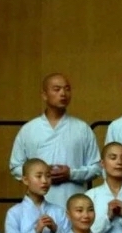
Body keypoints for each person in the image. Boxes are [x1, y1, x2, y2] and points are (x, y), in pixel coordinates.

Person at [9, 73, 101, 207]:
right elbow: (15, 167)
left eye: (67, 89)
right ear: (44, 95)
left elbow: (97, 168)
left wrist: (71, 174)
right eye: (57, 89)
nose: (63, 93)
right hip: (38, 206)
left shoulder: (82, 129)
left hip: (74, 205)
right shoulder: (29, 130)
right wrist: (40, 175)